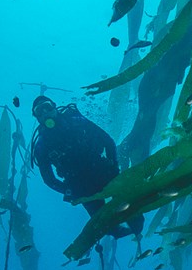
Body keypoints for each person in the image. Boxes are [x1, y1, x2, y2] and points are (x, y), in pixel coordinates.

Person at [30, 95, 142, 236]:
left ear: (54, 106)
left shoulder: (77, 121)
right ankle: (123, 233)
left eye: (47, 107)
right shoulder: (41, 146)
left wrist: (113, 164)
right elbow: (48, 179)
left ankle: (137, 232)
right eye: (40, 110)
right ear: (36, 117)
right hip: (78, 185)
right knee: (105, 226)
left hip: (102, 170)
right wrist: (67, 190)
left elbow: (108, 141)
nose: (45, 112)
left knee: (133, 213)